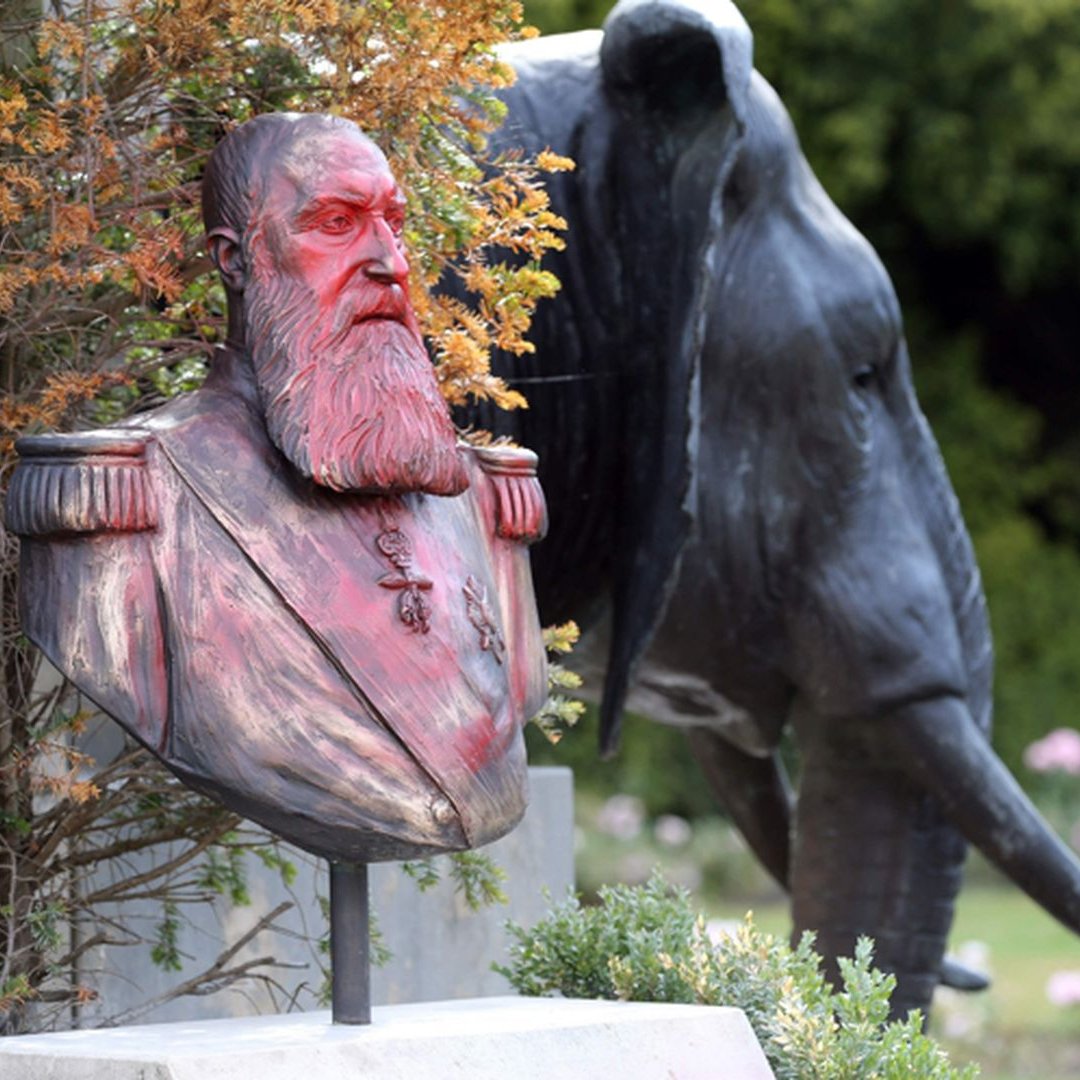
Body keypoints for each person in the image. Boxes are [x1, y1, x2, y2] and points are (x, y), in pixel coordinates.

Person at [6, 113, 548, 863]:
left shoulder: (479, 499)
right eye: (336, 223)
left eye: (392, 222)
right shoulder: (129, 510)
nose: (389, 260)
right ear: (235, 261)